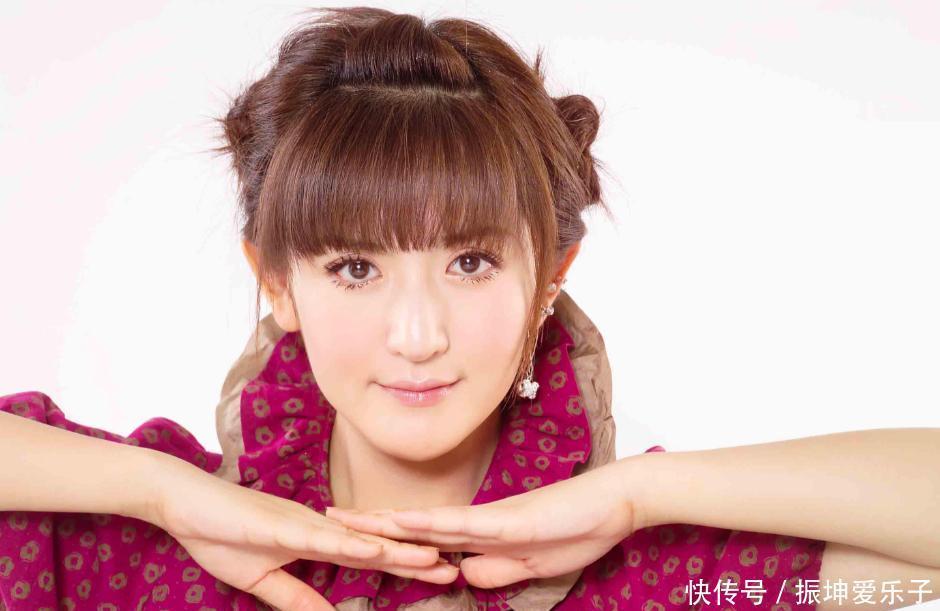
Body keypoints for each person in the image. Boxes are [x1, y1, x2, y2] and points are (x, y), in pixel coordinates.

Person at [1, 7, 938, 611]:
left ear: (550, 279)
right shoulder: (140, 547)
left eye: (472, 261)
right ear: (277, 283)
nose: (418, 335)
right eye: (356, 267)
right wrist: (158, 492)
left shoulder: (664, 576)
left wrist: (641, 496)